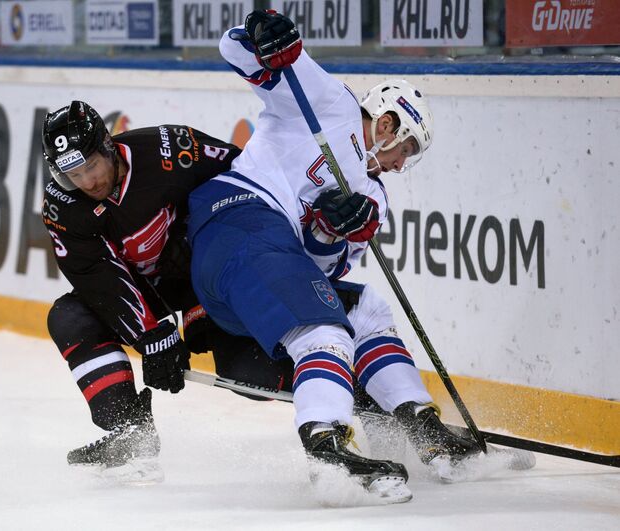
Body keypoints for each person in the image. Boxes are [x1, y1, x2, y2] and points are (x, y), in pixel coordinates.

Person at [186, 10, 481, 501]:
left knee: (365, 309)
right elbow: (234, 50)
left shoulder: (374, 195)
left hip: (264, 265)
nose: (401, 164)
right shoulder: (330, 103)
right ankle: (327, 446)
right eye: (405, 149)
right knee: (323, 328)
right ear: (387, 123)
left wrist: (327, 232)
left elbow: (320, 272)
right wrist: (262, 36)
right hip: (235, 223)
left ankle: (421, 423)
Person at [41, 101, 241, 480]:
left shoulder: (169, 150)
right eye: (73, 174)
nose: (88, 182)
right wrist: (150, 335)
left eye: (91, 166)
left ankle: (345, 390)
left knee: (246, 373)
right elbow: (97, 274)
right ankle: (131, 433)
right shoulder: (63, 204)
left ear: (107, 146)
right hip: (147, 293)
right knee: (70, 317)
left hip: (206, 276)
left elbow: (246, 175)